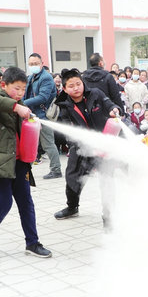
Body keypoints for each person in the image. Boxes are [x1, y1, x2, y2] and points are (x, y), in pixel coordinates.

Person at [0, 66, 52, 259]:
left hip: (19, 162)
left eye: (23, 89)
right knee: (3, 203)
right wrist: (16, 107)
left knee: (26, 203)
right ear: (3, 85)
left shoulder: (21, 104)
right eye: (16, 88)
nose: (20, 93)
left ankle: (32, 243)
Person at [53, 68, 121, 221]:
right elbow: (68, 131)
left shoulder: (96, 93)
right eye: (71, 86)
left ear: (83, 83)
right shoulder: (64, 105)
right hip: (81, 147)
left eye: (78, 84)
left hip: (104, 144)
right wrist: (82, 145)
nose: (76, 88)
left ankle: (109, 214)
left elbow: (109, 104)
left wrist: (114, 109)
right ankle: (72, 207)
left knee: (107, 179)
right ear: (65, 89)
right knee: (72, 177)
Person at [24, 53, 62, 179]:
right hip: (33, 116)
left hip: (43, 116)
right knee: (31, 144)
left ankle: (56, 170)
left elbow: (43, 97)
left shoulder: (46, 78)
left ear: (42, 63)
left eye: (36, 63)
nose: (33, 66)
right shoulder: (31, 77)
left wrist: (23, 104)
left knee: (48, 144)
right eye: (31, 64)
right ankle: (26, 170)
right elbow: (26, 94)